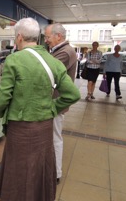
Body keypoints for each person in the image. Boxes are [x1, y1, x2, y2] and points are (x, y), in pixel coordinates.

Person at [0, 18, 80, 201]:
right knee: (39, 167)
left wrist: (0, 112)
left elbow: (2, 98)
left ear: (19, 37)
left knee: (19, 169)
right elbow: (73, 94)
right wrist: (52, 108)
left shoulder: (14, 60)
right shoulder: (53, 60)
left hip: (20, 128)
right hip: (44, 127)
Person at [44, 23, 78, 184]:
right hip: (54, 101)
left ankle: (56, 173)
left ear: (58, 36)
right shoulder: (60, 50)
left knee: (55, 137)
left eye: (48, 37)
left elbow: (46, 70)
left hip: (57, 102)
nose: (46, 40)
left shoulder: (65, 52)